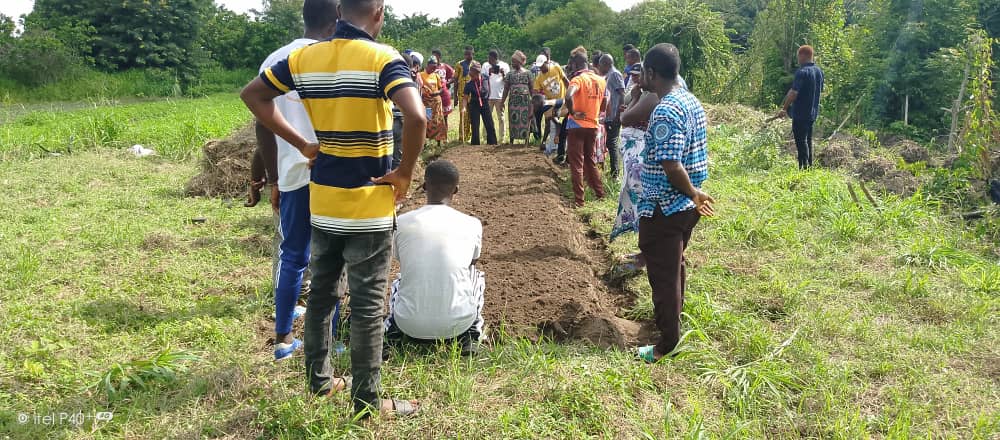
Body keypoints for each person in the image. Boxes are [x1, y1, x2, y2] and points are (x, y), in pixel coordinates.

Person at [241, 0, 426, 417]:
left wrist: (302, 144)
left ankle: (320, 382)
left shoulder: (304, 58)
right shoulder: (383, 59)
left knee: (322, 295)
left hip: (322, 201)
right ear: (378, 13)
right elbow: (415, 117)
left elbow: (253, 95)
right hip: (370, 207)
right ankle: (367, 402)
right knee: (367, 305)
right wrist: (405, 173)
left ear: (340, 10)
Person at [245, 0, 341, 362]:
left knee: (293, 256)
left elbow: (262, 126)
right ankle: (331, 339)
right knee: (332, 258)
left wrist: (274, 179)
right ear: (335, 21)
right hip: (332, 173)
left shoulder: (275, 60)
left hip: (292, 173)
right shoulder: (336, 58)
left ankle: (283, 339)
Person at [635, 43, 715, 364]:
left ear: (651, 73)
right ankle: (674, 322)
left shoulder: (666, 110)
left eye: (643, 72)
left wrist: (693, 193)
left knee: (664, 275)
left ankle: (667, 345)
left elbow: (672, 166)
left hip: (666, 206)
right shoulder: (690, 100)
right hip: (684, 207)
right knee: (674, 264)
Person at [384, 160, 485, 357]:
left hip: (409, 325)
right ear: (456, 190)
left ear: (424, 186)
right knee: (476, 277)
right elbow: (472, 262)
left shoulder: (401, 221)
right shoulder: (472, 224)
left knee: (399, 280)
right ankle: (471, 335)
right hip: (458, 326)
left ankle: (392, 334)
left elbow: (402, 259)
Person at [611, 68, 660, 271]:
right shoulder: (648, 94)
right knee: (643, 204)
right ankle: (647, 253)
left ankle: (647, 256)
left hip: (645, 158)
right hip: (643, 156)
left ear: (651, 75)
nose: (636, 78)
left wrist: (635, 99)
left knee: (645, 205)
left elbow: (625, 118)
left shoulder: (651, 96)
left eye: (640, 74)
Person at [564, 46, 608, 207]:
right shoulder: (601, 80)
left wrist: (573, 112)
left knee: (577, 163)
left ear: (576, 64)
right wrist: (596, 111)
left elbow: (568, 95)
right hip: (593, 125)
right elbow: (605, 102)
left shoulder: (578, 80)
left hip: (576, 125)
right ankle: (600, 194)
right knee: (590, 161)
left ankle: (579, 200)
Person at [776, 45, 824, 169]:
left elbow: (793, 93)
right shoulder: (819, 72)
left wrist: (784, 108)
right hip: (812, 112)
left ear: (803, 55)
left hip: (801, 113)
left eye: (798, 56)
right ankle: (809, 166)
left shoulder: (802, 72)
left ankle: (803, 168)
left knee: (801, 141)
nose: (798, 59)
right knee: (808, 140)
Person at [598, 54, 625, 179]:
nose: (599, 67)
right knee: (608, 143)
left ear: (606, 64)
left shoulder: (614, 74)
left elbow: (622, 94)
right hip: (609, 116)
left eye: (600, 65)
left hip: (614, 116)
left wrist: (618, 115)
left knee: (612, 144)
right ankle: (612, 172)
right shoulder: (609, 75)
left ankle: (615, 174)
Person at [533, 55, 568, 148]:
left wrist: (570, 95)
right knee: (549, 121)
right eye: (539, 67)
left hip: (562, 99)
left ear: (547, 62)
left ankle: (561, 143)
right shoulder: (539, 78)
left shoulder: (556, 68)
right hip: (551, 102)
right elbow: (536, 92)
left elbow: (565, 81)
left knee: (565, 121)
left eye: (542, 66)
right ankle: (544, 142)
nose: (541, 68)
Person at [501, 51, 533, 144]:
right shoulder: (510, 74)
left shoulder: (528, 73)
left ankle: (526, 140)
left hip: (525, 102)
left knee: (525, 119)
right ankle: (512, 140)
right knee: (513, 120)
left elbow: (532, 88)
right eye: (512, 61)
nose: (512, 63)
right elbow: (506, 89)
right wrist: (502, 102)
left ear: (519, 62)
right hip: (513, 102)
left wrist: (533, 102)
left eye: (514, 61)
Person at [463, 61, 498, 146]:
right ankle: (475, 145)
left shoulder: (485, 78)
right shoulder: (469, 84)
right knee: (475, 125)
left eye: (473, 75)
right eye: (471, 75)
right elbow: (465, 98)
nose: (472, 76)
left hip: (485, 103)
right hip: (474, 105)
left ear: (478, 73)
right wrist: (463, 107)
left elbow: (489, 86)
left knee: (489, 124)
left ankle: (492, 143)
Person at [483, 49, 509, 143]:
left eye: (490, 58)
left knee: (501, 118)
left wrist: (503, 74)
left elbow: (507, 81)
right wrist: (489, 72)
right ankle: (485, 137)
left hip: (500, 96)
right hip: (488, 96)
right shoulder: (485, 65)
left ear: (494, 58)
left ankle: (502, 138)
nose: (488, 60)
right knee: (487, 118)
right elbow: (482, 79)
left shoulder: (504, 65)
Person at [420, 57, 448, 146]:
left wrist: (437, 93)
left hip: (436, 103)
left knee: (437, 121)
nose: (433, 69)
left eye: (435, 68)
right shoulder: (421, 75)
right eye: (432, 67)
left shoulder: (436, 76)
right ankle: (424, 142)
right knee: (427, 120)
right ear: (427, 65)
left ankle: (438, 142)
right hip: (426, 103)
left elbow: (441, 88)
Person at [455, 46, 477, 142]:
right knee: (463, 115)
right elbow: (456, 80)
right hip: (462, 94)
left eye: (469, 54)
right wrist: (455, 96)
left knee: (473, 116)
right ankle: (463, 137)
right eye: (466, 54)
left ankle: (473, 137)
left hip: (473, 95)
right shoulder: (459, 64)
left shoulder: (476, 64)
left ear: (473, 54)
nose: (467, 56)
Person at [432, 48, 455, 123]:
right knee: (434, 116)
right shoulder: (431, 67)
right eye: (433, 56)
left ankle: (445, 130)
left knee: (445, 117)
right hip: (434, 94)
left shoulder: (445, 66)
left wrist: (448, 83)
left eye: (435, 56)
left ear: (439, 57)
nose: (434, 58)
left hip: (444, 94)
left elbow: (454, 76)